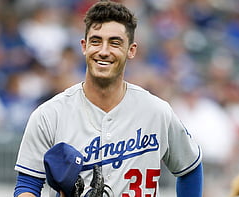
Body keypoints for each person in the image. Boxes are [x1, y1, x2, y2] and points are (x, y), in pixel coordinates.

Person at [13, 1, 203, 196]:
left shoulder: (157, 112)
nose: (104, 51)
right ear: (84, 46)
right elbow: (28, 185)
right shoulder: (49, 115)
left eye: (115, 42)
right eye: (96, 41)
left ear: (131, 50)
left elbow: (190, 167)